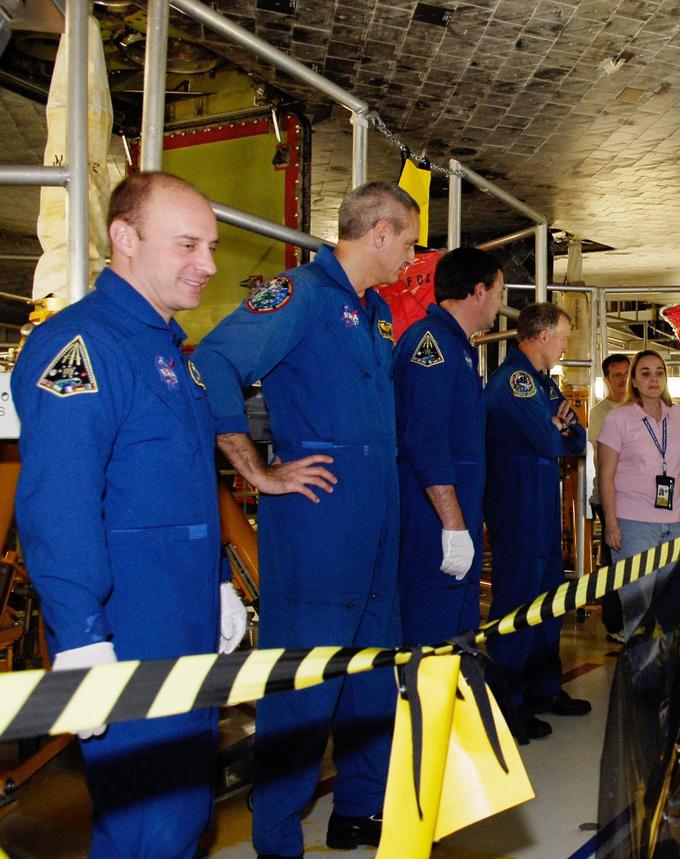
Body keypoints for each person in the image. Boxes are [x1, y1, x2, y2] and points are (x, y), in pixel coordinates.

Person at [14, 171, 242, 858]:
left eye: (210, 245)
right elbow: (59, 502)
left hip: (186, 622)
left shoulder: (169, 355)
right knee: (150, 825)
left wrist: (220, 580)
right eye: (187, 245)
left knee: (182, 813)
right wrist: (81, 635)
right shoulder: (82, 348)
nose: (207, 264)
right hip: (127, 631)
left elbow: (190, 491)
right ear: (124, 238)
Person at [193, 181, 417, 858]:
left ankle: (358, 807)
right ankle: (278, 834)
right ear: (378, 232)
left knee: (374, 677)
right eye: (408, 241)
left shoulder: (375, 312)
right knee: (303, 687)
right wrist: (256, 468)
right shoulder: (301, 296)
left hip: (376, 527)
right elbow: (214, 361)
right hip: (318, 527)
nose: (411, 256)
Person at [483, 302, 590, 743]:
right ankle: (509, 702)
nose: (566, 346)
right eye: (563, 337)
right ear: (542, 335)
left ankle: (544, 687)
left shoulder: (543, 385)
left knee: (550, 602)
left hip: (542, 505)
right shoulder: (515, 381)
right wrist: (557, 429)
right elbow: (551, 440)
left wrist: (561, 428)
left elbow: (577, 438)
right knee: (518, 605)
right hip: (517, 505)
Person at [393, 247, 504, 647]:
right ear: (478, 290)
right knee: (431, 630)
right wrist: (453, 525)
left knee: (457, 630)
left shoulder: (459, 348)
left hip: (455, 514)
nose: (500, 302)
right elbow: (425, 440)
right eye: (499, 290)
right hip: (433, 520)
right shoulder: (433, 345)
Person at [597, 350, 680, 640]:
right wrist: (612, 524)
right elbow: (606, 475)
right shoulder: (619, 420)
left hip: (676, 523)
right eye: (645, 373)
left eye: (659, 373)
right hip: (633, 525)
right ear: (635, 381)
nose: (653, 379)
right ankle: (637, 676)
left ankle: (664, 672)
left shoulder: (679, 417)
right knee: (638, 609)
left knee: (672, 604)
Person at [588, 353, 631, 638]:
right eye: (617, 375)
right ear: (606, 379)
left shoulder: (639, 408)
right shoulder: (602, 413)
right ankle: (614, 624)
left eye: (627, 373)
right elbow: (609, 456)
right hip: (610, 496)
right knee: (614, 557)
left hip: (637, 497)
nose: (623, 380)